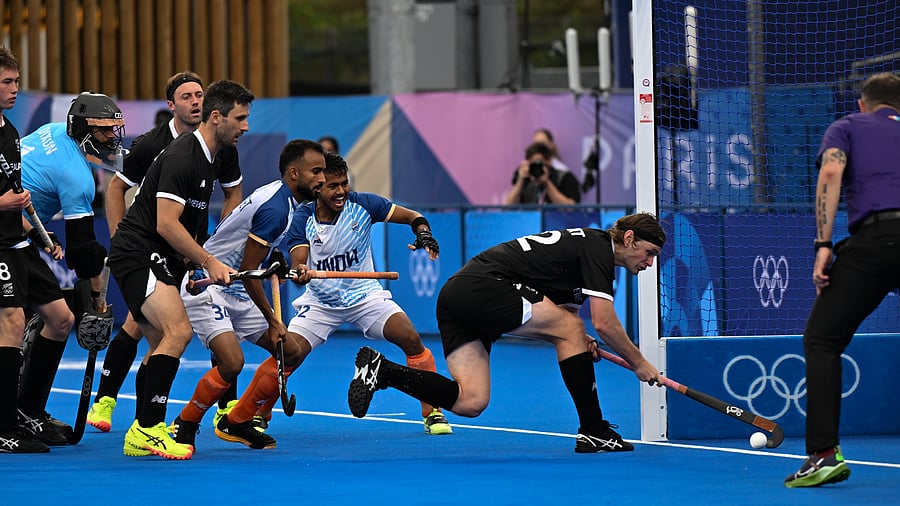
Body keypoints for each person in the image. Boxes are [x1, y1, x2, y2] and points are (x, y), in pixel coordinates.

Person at [348, 212, 667, 452]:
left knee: (470, 401)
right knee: (571, 329)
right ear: (628, 239)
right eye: (649, 253)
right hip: (484, 286)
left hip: (457, 296)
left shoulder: (588, 249)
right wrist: (639, 362)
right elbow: (603, 322)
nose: (649, 263)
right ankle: (594, 428)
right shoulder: (600, 249)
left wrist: (579, 344)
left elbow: (564, 317)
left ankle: (383, 372)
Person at [88, 71, 245, 435]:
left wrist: (210, 248)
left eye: (199, 94)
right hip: (147, 249)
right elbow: (132, 200)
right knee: (170, 331)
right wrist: (120, 240)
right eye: (186, 96)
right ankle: (115, 404)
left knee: (163, 339)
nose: (195, 101)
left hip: (177, 254)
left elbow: (232, 195)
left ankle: (146, 428)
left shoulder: (217, 151)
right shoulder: (164, 148)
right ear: (172, 105)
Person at [168, 139, 326, 451]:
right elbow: (250, 269)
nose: (321, 178)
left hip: (239, 288)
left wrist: (277, 262)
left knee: (291, 352)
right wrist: (274, 320)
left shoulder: (287, 201)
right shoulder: (276, 208)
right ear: (294, 174)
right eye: (316, 171)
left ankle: (237, 421)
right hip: (208, 286)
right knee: (232, 361)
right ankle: (186, 423)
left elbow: (254, 262)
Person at [282, 151, 453, 435]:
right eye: (332, 186)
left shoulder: (364, 205)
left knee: (411, 338)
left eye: (344, 184)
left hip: (364, 297)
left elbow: (414, 216)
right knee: (288, 355)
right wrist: (300, 269)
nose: (341, 192)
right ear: (318, 188)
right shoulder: (303, 217)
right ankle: (254, 415)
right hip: (321, 302)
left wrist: (423, 233)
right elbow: (299, 261)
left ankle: (433, 412)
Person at [784, 72, 900, 488]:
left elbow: (831, 174)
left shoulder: (847, 125)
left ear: (863, 103)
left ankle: (823, 455)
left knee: (823, 340)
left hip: (876, 241)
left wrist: (823, 244)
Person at [18, 91, 127, 446]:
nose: (113, 138)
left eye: (115, 129)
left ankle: (27, 409)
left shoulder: (51, 131)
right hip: (7, 237)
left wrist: (34, 231)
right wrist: (98, 301)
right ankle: (24, 411)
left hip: (15, 230)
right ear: (82, 129)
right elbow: (83, 254)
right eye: (105, 131)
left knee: (58, 318)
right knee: (40, 321)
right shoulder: (77, 176)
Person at [0, 46, 72, 454]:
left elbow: (14, 197)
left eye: (16, 81)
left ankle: (29, 411)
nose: (15, 89)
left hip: (19, 242)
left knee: (61, 319)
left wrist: (43, 235)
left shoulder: (10, 132)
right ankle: (3, 425)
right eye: (7, 82)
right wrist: (4, 206)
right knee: (10, 323)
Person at [504, 141, 580, 205]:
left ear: (549, 161)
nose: (536, 167)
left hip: (556, 222)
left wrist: (547, 182)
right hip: (530, 221)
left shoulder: (564, 177)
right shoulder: (525, 179)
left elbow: (570, 208)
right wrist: (520, 181)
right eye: (532, 163)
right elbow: (508, 207)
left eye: (539, 162)